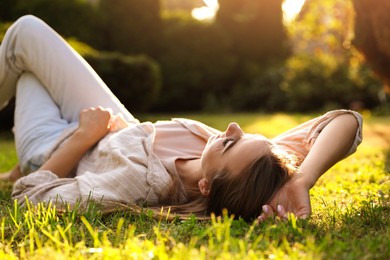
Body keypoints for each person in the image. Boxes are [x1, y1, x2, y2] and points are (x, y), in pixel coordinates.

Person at [0, 15, 362, 222]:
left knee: (23, 42)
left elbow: (28, 199)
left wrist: (82, 136)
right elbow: (345, 121)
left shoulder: (136, 183)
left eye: (229, 142)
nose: (231, 128)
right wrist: (302, 179)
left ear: (205, 186)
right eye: (243, 133)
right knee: (29, 40)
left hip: (60, 142)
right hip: (115, 124)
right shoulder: (254, 164)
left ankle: (23, 164)